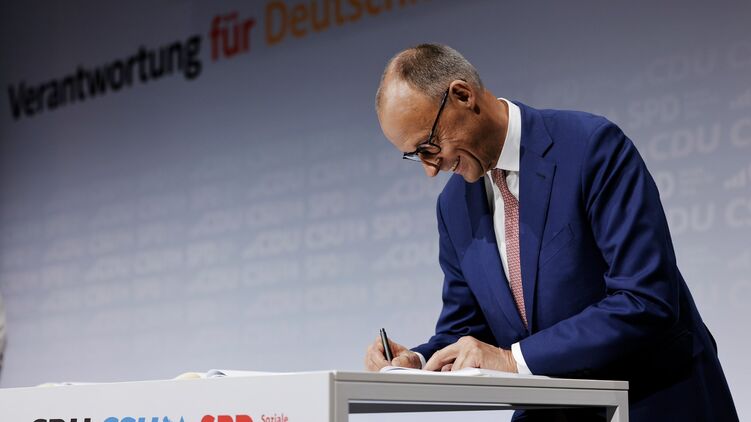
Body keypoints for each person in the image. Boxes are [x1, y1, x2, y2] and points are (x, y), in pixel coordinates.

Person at [364, 44, 738, 421]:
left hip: (652, 401)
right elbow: (467, 330)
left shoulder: (591, 148)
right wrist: (418, 360)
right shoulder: (453, 206)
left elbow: (644, 299)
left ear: (463, 96)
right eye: (415, 156)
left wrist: (512, 359)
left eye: (429, 147)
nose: (430, 169)